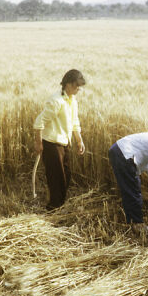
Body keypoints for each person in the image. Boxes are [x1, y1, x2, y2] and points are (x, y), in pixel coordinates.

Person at [33, 69, 86, 210]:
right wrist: (38, 143)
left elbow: (75, 121)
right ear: (68, 84)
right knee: (57, 178)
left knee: (66, 176)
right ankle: (53, 208)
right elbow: (39, 122)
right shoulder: (56, 101)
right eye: (77, 86)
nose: (78, 89)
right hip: (51, 144)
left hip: (64, 143)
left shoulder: (72, 100)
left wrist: (79, 140)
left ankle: (59, 205)